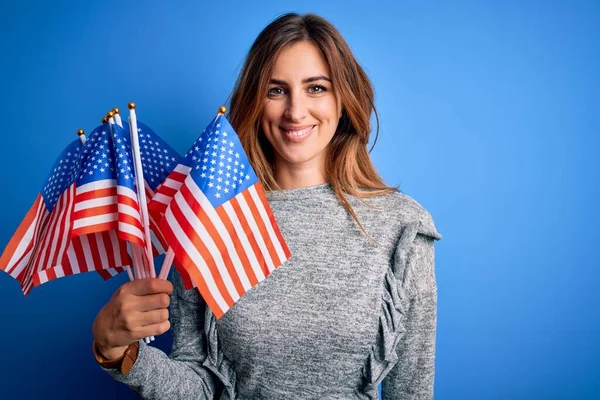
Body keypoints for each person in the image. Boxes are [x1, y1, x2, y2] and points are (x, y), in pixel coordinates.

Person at [91, 12, 442, 399]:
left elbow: (411, 390)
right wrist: (119, 353)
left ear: (344, 99)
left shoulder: (402, 226)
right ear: (257, 103)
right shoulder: (207, 216)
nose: (295, 111)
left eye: (316, 88)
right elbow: (200, 385)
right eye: (277, 90)